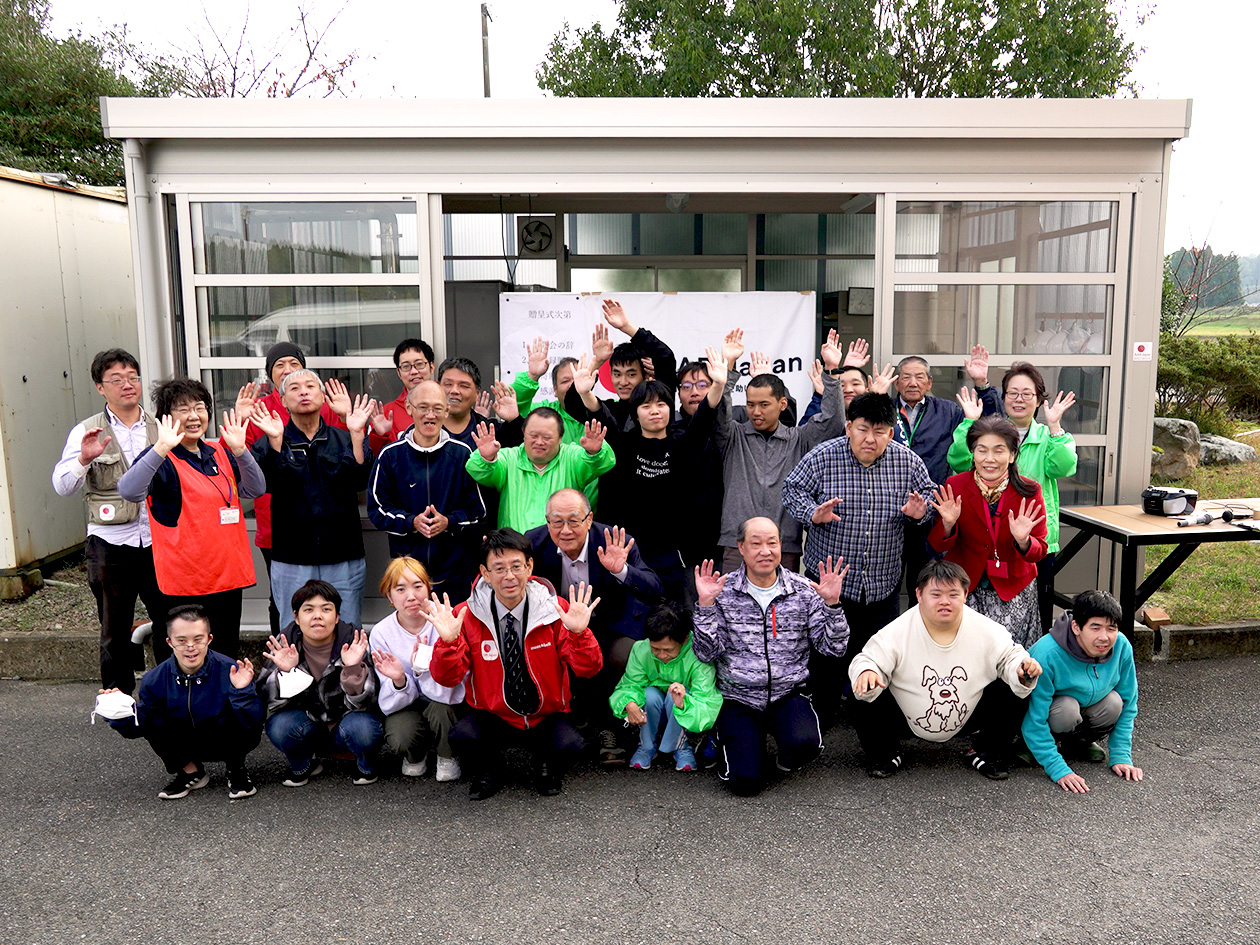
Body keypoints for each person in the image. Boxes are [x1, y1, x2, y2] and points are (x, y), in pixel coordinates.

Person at [781, 391, 936, 706]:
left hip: (882, 581)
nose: (871, 438)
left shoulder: (907, 462)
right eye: (863, 429)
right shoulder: (823, 456)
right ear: (849, 426)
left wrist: (921, 514)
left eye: (879, 432)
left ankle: (871, 728)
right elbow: (792, 489)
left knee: (877, 658)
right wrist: (812, 513)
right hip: (830, 583)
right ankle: (821, 720)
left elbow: (929, 495)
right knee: (825, 658)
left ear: (890, 433)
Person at [427, 529, 604, 800]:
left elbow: (589, 668)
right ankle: (489, 768)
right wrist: (449, 642)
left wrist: (580, 634)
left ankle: (546, 765)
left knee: (571, 745)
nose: (509, 576)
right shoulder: (466, 614)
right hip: (493, 714)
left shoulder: (555, 608)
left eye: (516, 566)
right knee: (463, 736)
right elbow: (447, 678)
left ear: (529, 566)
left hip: (545, 712)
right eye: (499, 568)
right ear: (485, 574)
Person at [692, 517, 851, 797]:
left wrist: (832, 605)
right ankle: (723, 736)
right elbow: (705, 653)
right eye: (756, 543)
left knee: (806, 745)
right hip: (738, 697)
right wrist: (705, 606)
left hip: (787, 693)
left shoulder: (802, 589)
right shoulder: (723, 591)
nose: (765, 551)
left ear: (781, 546)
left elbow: (833, 648)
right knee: (746, 784)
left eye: (772, 543)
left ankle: (773, 754)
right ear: (741, 547)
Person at [848, 559, 1043, 780]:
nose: (945, 602)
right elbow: (866, 659)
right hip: (904, 717)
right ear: (919, 595)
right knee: (863, 687)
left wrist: (1023, 668)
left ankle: (985, 751)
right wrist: (867, 672)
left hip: (968, 714)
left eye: (953, 594)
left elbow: (1011, 655)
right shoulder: (897, 630)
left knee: (1020, 680)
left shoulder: (986, 629)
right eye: (936, 594)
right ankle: (886, 752)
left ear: (965, 595)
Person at [566, 344, 728, 601]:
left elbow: (703, 420)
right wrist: (585, 393)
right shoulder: (624, 444)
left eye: (661, 404)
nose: (655, 410)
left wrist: (718, 385)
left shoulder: (683, 443)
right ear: (636, 414)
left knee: (676, 619)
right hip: (632, 554)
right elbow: (603, 416)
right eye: (646, 406)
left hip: (675, 556)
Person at [117, 379, 265, 658]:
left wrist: (241, 451)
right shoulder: (161, 458)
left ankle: (222, 701)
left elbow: (256, 488)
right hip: (185, 584)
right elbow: (128, 490)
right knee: (183, 656)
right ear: (166, 418)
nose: (194, 416)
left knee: (224, 653)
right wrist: (160, 448)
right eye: (183, 409)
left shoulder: (219, 452)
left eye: (199, 407)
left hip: (228, 577)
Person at [53, 348, 167, 692]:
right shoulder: (87, 430)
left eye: (132, 377)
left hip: (160, 542)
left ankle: (168, 690)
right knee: (114, 627)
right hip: (110, 544)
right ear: (100, 388)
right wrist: (84, 460)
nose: (127, 385)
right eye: (116, 380)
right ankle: (117, 695)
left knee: (169, 620)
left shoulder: (160, 426)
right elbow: (62, 486)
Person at [525, 488, 664, 765]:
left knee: (622, 654)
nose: (565, 530)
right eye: (557, 521)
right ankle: (569, 720)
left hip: (612, 623)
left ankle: (610, 730)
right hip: (560, 626)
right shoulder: (533, 543)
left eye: (574, 521)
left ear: (589, 520)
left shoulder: (613, 540)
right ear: (547, 521)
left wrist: (620, 571)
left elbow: (654, 590)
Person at [949, 364, 1077, 629]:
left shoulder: (1046, 437)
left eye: (1027, 394)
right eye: (1012, 393)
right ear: (1003, 397)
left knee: (1033, 614)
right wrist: (970, 422)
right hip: (990, 537)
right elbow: (959, 459)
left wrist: (1054, 427)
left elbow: (1063, 466)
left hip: (1032, 537)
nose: (1019, 399)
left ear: (1040, 399)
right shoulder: (990, 432)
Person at [248, 369, 376, 627]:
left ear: (322, 396)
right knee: (292, 629)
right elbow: (264, 486)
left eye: (310, 386)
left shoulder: (344, 438)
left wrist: (357, 435)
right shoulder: (269, 440)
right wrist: (275, 442)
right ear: (283, 400)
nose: (303, 391)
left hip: (343, 555)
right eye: (294, 388)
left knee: (347, 628)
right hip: (290, 556)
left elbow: (360, 481)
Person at [236, 342, 348, 634]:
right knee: (284, 600)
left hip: (330, 527)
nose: (287, 370)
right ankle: (284, 665)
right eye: (279, 366)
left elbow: (350, 458)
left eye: (293, 363)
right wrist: (241, 420)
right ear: (271, 375)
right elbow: (241, 465)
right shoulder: (260, 409)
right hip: (277, 524)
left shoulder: (323, 406)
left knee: (332, 600)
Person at [713, 330, 847, 574]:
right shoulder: (733, 435)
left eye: (764, 405)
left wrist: (831, 371)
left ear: (782, 404)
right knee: (735, 610)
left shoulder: (799, 438)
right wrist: (729, 368)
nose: (755, 411)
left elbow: (833, 422)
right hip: (737, 543)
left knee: (784, 610)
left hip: (784, 544)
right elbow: (719, 411)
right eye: (751, 404)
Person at [100, 604, 264, 800]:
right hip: (183, 741)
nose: (190, 647)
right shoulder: (154, 679)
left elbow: (255, 721)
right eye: (182, 640)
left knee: (237, 713)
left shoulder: (230, 669)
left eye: (198, 639)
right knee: (153, 718)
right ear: (169, 642)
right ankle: (190, 771)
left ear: (209, 639)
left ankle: (236, 768)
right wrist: (120, 712)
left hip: (223, 738)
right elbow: (141, 726)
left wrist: (242, 691)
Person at [891, 347, 1003, 597]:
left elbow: (992, 423)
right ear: (896, 383)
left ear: (929, 382)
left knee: (927, 582)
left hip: (934, 509)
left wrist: (982, 384)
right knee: (888, 583)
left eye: (920, 376)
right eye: (906, 377)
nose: (912, 382)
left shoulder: (948, 411)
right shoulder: (884, 411)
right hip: (890, 512)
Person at [929, 415, 1048, 648]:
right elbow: (936, 545)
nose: (989, 459)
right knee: (968, 658)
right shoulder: (956, 486)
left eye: (999, 451)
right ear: (973, 453)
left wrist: (1023, 541)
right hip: (966, 587)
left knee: (1010, 661)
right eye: (981, 450)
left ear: (1012, 455)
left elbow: (1039, 551)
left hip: (1014, 589)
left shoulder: (1029, 491)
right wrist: (948, 524)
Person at [367, 379, 487, 604]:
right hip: (407, 571)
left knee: (453, 634)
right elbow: (377, 509)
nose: (430, 415)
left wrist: (449, 522)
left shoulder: (463, 454)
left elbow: (477, 512)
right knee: (413, 634)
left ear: (447, 411)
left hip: (454, 572)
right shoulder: (391, 455)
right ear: (410, 409)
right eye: (423, 407)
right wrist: (411, 522)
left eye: (437, 408)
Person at [257, 580, 383, 787]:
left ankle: (365, 764)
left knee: (365, 729)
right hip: (307, 725)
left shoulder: (354, 642)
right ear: (296, 617)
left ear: (337, 616)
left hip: (346, 724)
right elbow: (268, 701)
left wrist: (352, 669)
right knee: (280, 726)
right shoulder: (285, 644)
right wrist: (287, 672)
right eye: (308, 609)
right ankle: (304, 764)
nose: (317, 616)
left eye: (326, 609)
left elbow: (369, 703)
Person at [1022, 589, 1143, 793]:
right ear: (1076, 627)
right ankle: (1030, 747)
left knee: (1115, 703)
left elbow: (1129, 702)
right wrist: (1058, 769)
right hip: (1052, 714)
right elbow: (1034, 718)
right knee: (1066, 709)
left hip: (1085, 710)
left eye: (1111, 628)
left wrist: (1121, 755)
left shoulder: (1122, 646)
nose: (1104, 637)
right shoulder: (1047, 654)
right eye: (1095, 628)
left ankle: (1078, 743)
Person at [368, 557, 465, 782]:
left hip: (444, 701)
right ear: (390, 597)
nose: (411, 596)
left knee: (442, 711)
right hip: (405, 705)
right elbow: (388, 703)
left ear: (429, 589)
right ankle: (415, 754)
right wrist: (400, 680)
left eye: (418, 586)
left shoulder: (445, 621)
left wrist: (424, 668)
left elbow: (455, 688)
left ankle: (447, 755)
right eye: (400, 589)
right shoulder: (381, 633)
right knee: (400, 735)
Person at [610, 602, 723, 772]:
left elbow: (707, 703)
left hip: (684, 716)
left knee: (675, 695)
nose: (662, 655)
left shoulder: (698, 655)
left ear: (685, 639)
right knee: (649, 694)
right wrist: (628, 703)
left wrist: (685, 704)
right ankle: (646, 745)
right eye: (655, 649)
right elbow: (629, 685)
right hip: (652, 711)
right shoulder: (641, 650)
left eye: (668, 650)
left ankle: (682, 745)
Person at [466, 409, 614, 533]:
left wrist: (594, 453)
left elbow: (600, 462)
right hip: (514, 552)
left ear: (560, 438)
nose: (539, 442)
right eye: (533, 435)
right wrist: (487, 457)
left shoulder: (571, 457)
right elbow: (477, 469)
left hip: (561, 548)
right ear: (523, 432)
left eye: (547, 437)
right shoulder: (509, 457)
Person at [568, 298, 680, 433]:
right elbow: (571, 404)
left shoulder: (660, 405)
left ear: (645, 375)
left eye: (631, 374)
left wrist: (626, 327)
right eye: (617, 374)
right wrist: (597, 362)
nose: (623, 382)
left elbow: (664, 356)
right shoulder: (608, 410)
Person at [368, 338, 437, 455]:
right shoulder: (385, 413)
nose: (414, 371)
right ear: (399, 373)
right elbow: (374, 459)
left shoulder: (448, 407)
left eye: (419, 364)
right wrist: (380, 435)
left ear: (431, 367)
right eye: (406, 366)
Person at [512, 335, 584, 444]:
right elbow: (513, 406)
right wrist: (532, 376)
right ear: (555, 389)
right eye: (565, 381)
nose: (572, 385)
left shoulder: (599, 411)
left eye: (577, 378)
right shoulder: (544, 412)